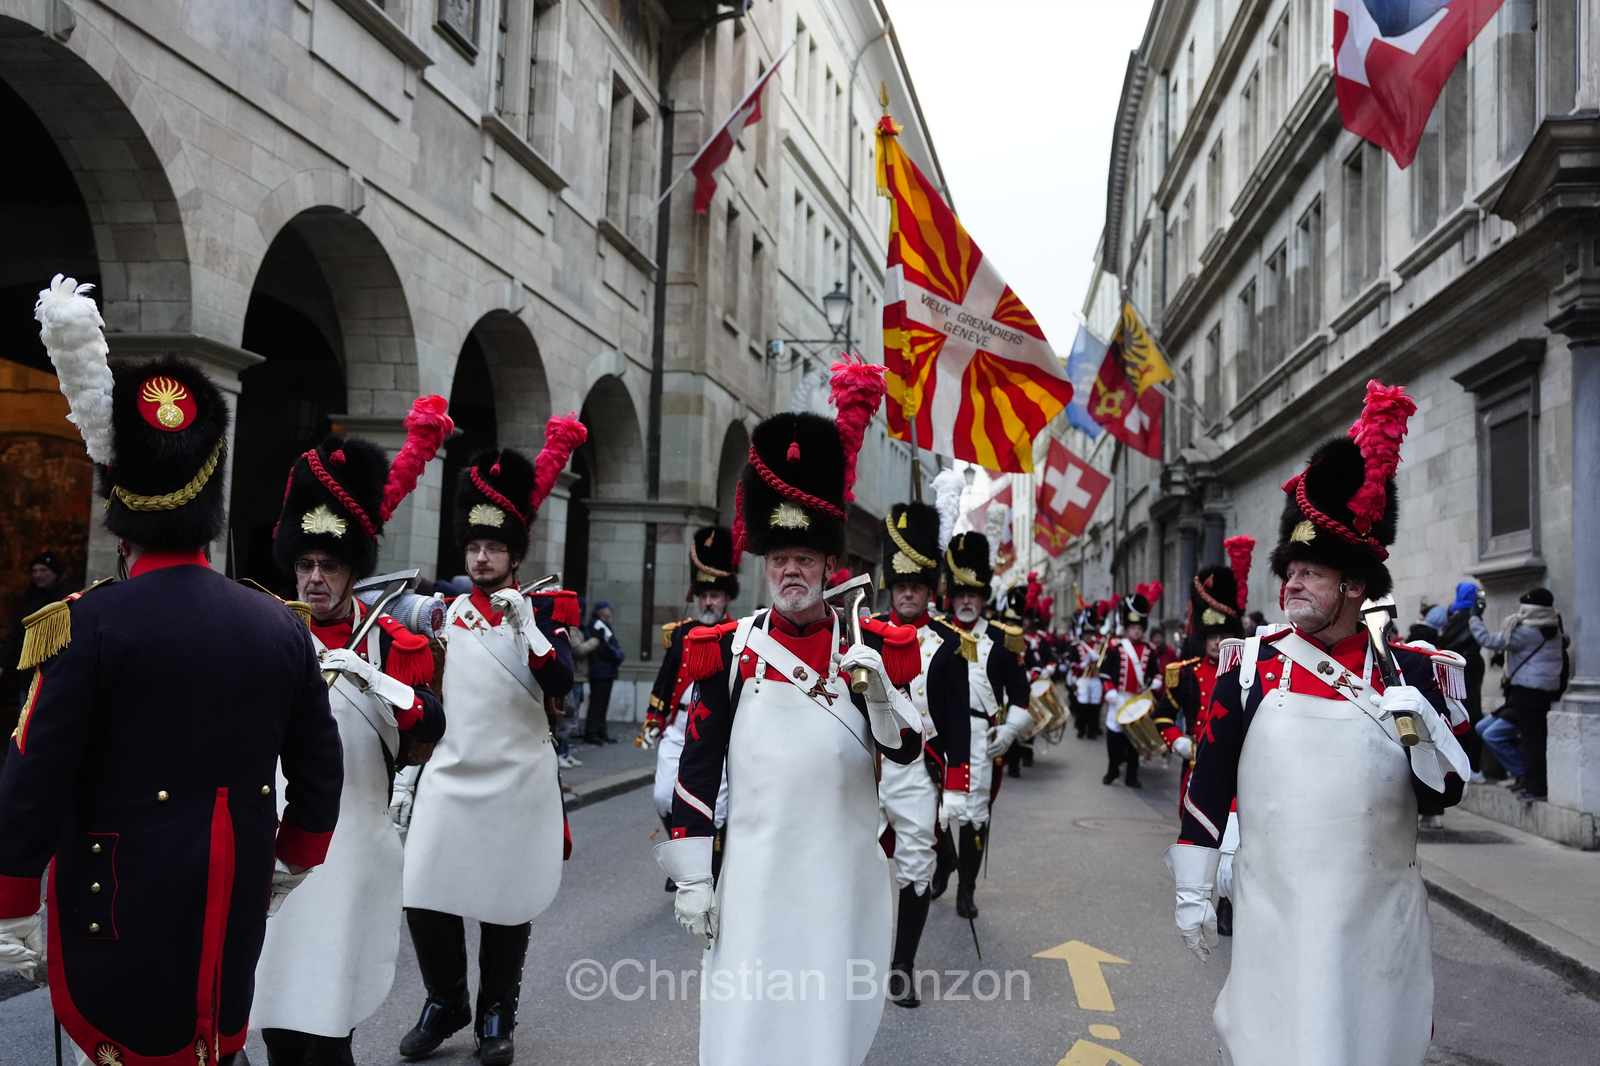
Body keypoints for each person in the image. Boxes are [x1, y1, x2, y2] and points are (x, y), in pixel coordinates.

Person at [0, 278, 344, 1066]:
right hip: (234, 895)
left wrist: (12, 902)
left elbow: (33, 771)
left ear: (122, 513)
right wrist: (295, 854)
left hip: (110, 905)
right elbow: (318, 767)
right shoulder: (278, 625)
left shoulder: (83, 625)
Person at [1166, 381, 1471, 1066]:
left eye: (1310, 573)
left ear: (1354, 587)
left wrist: (1422, 735)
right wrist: (1193, 886)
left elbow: (1444, 799)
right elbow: (1210, 783)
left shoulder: (1418, 675)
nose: (1292, 585)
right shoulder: (1248, 667)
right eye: (1289, 571)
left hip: (1377, 925)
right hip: (1276, 919)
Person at [656, 361, 923, 1066]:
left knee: (821, 1034)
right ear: (763, 565)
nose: (792, 571)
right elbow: (696, 765)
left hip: (837, 880)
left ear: (830, 564)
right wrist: (690, 872)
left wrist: (878, 697)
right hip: (753, 878)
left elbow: (906, 757)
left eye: (806, 557)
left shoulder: (876, 652)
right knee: (746, 1027)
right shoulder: (726, 651)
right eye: (781, 559)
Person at [251, 405, 451, 1066]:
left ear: (352, 569)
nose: (315, 578)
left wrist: (379, 682)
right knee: (274, 1004)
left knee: (330, 1014)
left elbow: (429, 730)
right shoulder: (266, 631)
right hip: (276, 840)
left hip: (353, 843)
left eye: (329, 566)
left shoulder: (391, 641)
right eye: (306, 563)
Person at [399, 428, 582, 1065]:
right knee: (423, 890)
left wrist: (528, 626)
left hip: (516, 777)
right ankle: (445, 999)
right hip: (451, 772)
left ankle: (496, 1011)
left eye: (493, 547)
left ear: (514, 556)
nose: (481, 558)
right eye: (474, 547)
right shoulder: (445, 610)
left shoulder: (545, 612)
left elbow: (560, 683)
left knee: (507, 899)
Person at [873, 499, 971, 1007]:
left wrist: (957, 786)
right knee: (850, 859)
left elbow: (957, 724)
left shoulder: (951, 646)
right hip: (865, 769)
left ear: (930, 590)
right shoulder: (862, 635)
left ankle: (902, 965)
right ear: (892, 586)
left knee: (915, 865)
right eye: (901, 585)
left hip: (916, 769)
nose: (908, 592)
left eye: (917, 585)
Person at [940, 532, 1028, 922]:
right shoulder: (936, 633)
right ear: (952, 595)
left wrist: (1009, 731)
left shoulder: (1003, 640)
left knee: (976, 819)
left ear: (983, 597)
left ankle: (967, 889)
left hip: (982, 739)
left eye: (973, 594)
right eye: (961, 594)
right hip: (939, 738)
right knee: (933, 813)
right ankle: (944, 866)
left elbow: (1022, 695)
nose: (966, 601)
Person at [642, 526, 737, 881]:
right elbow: (665, 681)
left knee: (717, 809)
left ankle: (708, 869)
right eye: (704, 596)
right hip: (679, 726)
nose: (709, 602)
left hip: (718, 731)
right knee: (664, 797)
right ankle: (684, 856)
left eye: (715, 595)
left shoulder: (736, 635)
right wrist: (653, 719)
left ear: (726, 598)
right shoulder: (681, 633)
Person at [1470, 588, 1566, 802]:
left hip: (1526, 692)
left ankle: (1535, 788)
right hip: (1542, 691)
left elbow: (1489, 640)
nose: (1520, 614)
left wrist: (1475, 618)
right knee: (1533, 739)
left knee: (1531, 740)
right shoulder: (1552, 627)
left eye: (1524, 609)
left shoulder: (1528, 632)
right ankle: (1532, 783)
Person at [1099, 587, 1163, 788]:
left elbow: (1156, 672)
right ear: (1126, 628)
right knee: (1114, 736)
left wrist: (1156, 682)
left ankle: (1132, 775)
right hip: (1118, 698)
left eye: (1139, 627)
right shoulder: (1115, 647)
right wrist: (1110, 691)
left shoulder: (1149, 649)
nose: (1137, 630)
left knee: (1134, 740)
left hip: (1138, 699)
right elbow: (1105, 672)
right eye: (1133, 627)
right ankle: (1113, 769)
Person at [583, 600, 624, 744]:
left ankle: (600, 730)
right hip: (601, 669)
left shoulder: (602, 625)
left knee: (602, 703)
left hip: (605, 669)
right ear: (602, 611)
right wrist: (616, 657)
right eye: (608, 610)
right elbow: (603, 648)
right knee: (597, 702)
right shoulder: (597, 625)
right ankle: (592, 732)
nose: (610, 613)